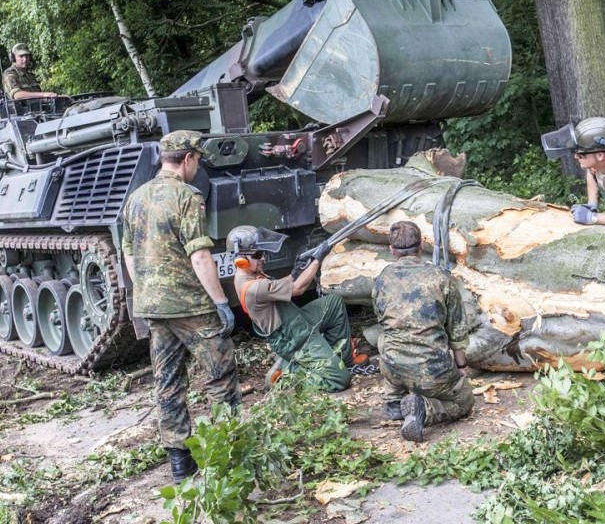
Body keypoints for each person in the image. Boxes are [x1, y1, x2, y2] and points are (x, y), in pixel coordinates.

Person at [122, 130, 241, 484]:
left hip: (154, 307)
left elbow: (128, 252)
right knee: (221, 376)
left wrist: (145, 288)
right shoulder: (188, 197)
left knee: (168, 382)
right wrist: (222, 302)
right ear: (187, 159)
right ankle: (227, 454)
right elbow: (201, 255)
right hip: (191, 305)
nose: (197, 166)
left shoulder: (136, 199)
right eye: (197, 160)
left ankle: (179, 462)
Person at [228, 226, 367, 392]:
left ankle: (344, 359)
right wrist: (317, 260)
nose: (263, 258)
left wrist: (296, 271)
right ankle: (288, 376)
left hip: (296, 321)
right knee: (340, 380)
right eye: (258, 255)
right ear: (241, 259)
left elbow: (282, 285)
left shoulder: (251, 274)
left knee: (333, 303)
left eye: (262, 253)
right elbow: (298, 289)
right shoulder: (254, 287)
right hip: (291, 337)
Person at [372, 221, 475, 443]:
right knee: (464, 401)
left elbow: (382, 320)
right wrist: (461, 367)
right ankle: (423, 409)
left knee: (388, 338)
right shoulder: (441, 277)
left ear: (392, 251)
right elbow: (456, 329)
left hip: (393, 366)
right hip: (432, 369)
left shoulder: (382, 279)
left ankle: (394, 400)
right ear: (421, 247)